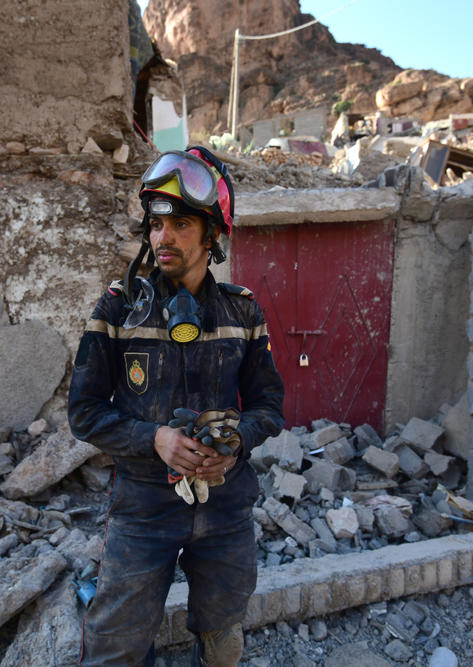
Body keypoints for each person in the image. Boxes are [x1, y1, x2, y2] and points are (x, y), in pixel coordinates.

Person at [68, 146, 285, 665]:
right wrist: (156, 439)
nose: (162, 237)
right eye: (156, 224)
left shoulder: (243, 310)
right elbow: (85, 413)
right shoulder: (118, 309)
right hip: (143, 508)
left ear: (212, 235)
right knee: (114, 642)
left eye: (181, 223)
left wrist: (236, 441)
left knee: (223, 635)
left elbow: (268, 404)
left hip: (226, 505)